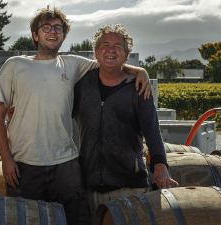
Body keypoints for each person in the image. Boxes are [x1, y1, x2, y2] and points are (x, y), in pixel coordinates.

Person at [0, 8, 152, 225]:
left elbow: (110, 62)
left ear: (64, 36)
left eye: (58, 28)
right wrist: (6, 159)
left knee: (78, 220)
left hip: (66, 165)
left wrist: (141, 71)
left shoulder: (73, 64)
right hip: (24, 165)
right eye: (46, 27)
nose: (52, 32)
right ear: (35, 35)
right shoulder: (14, 65)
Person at [72, 24, 179, 222]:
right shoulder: (81, 85)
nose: (111, 50)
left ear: (126, 54)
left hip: (130, 186)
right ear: (96, 52)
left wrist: (160, 166)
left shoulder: (138, 87)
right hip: (90, 186)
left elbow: (152, 130)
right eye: (105, 45)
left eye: (117, 46)